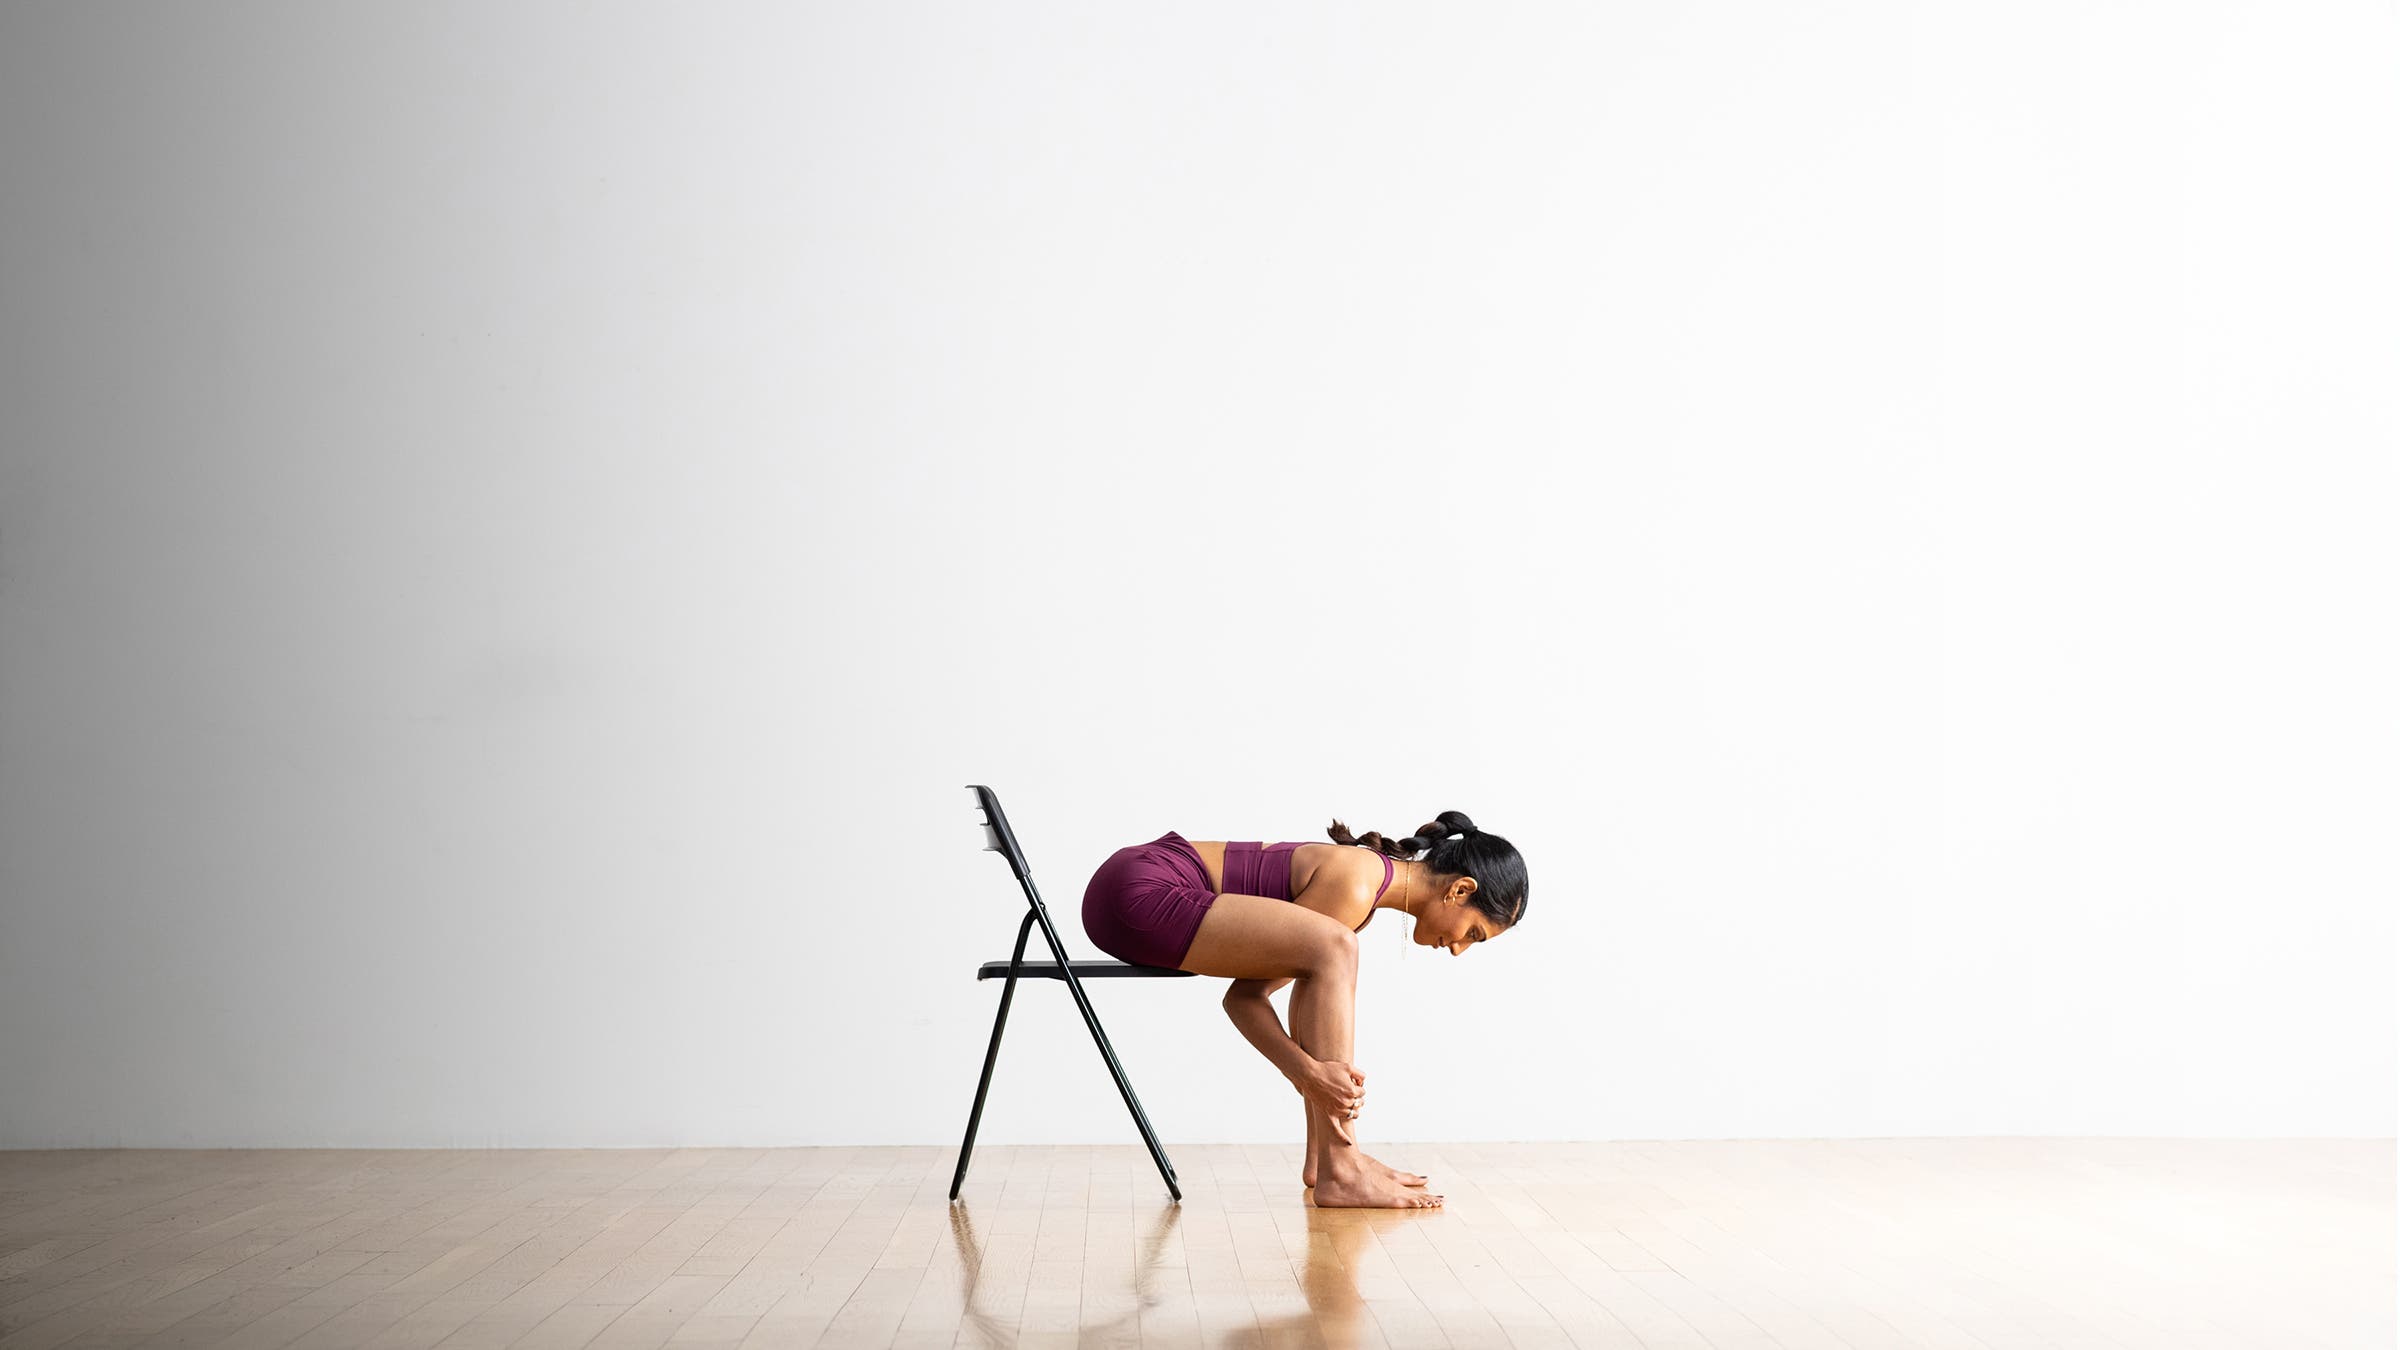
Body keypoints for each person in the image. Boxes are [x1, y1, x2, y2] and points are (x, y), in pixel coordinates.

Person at [1081, 811, 1529, 1209]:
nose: (1458, 950)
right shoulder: (1355, 884)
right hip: (1138, 890)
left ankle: (1327, 1161)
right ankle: (1343, 1167)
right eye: (1473, 933)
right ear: (1460, 890)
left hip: (1128, 883)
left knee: (1332, 952)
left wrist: (1313, 1078)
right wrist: (1311, 1076)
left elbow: (1258, 996)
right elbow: (1244, 1000)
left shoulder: (1364, 890)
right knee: (1337, 947)